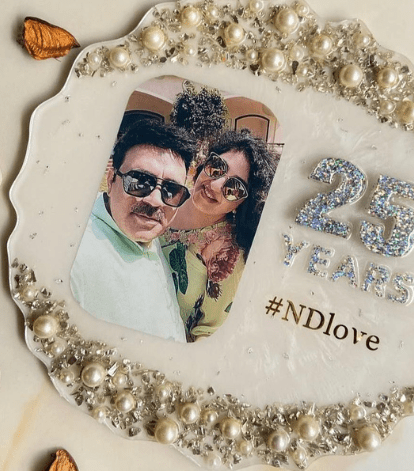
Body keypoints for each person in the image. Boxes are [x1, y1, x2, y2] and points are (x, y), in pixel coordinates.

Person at [70, 118, 196, 342]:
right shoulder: (73, 256)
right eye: (139, 181)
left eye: (171, 190)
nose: (155, 200)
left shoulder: (150, 237)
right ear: (111, 179)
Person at [161, 129, 278, 342]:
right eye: (217, 167)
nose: (215, 185)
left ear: (243, 203)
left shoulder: (227, 252)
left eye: (234, 188)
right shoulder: (162, 193)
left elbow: (208, 333)